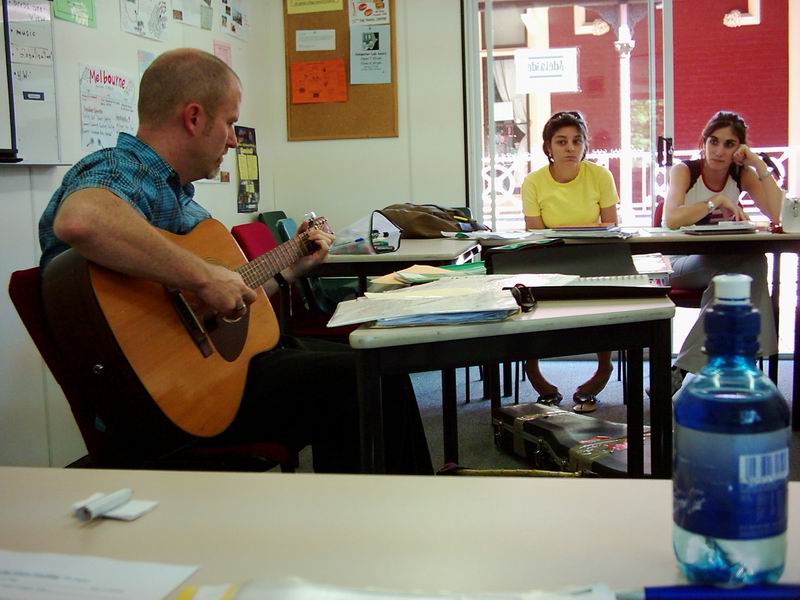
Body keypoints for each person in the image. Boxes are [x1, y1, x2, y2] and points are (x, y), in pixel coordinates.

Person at [38, 48, 432, 475]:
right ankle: (384, 520)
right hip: (159, 403)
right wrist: (204, 276)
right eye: (228, 122)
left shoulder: (183, 203)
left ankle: (373, 515)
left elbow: (227, 294)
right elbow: (83, 219)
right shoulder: (124, 168)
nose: (232, 139)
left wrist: (290, 268)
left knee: (375, 365)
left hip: (207, 378)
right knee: (360, 379)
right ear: (193, 118)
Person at [661, 110, 782, 395]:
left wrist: (755, 162)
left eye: (729, 144)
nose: (719, 150)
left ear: (738, 149)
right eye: (713, 142)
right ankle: (745, 361)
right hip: (677, 264)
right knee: (748, 270)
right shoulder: (685, 171)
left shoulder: (743, 174)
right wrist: (715, 200)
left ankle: (680, 371)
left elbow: (777, 213)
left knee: (738, 275)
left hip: (722, 264)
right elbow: (672, 218)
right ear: (703, 142)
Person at [520, 111, 619, 413]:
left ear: (585, 145)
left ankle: (603, 369)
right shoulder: (533, 182)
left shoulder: (600, 175)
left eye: (577, 141)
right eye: (561, 142)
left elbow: (611, 226)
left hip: (593, 255)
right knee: (526, 298)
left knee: (604, 297)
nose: (570, 148)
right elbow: (535, 234)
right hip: (548, 258)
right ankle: (534, 372)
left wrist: (580, 234)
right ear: (548, 147)